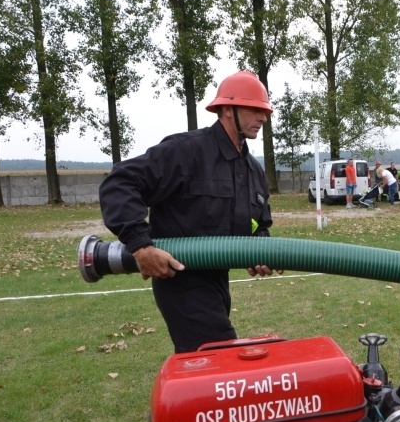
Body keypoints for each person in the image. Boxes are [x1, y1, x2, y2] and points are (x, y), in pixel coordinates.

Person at [99, 71, 279, 354]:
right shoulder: (187, 152)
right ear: (227, 109)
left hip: (217, 281)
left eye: (265, 111)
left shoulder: (253, 171)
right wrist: (141, 245)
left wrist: (259, 247)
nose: (263, 118)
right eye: (255, 109)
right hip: (180, 280)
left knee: (203, 364)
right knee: (220, 357)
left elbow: (258, 224)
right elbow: (120, 182)